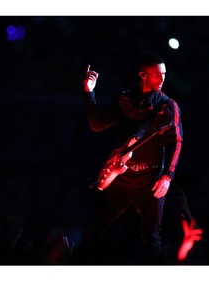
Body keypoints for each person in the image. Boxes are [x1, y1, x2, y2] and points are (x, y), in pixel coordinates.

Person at [75, 53, 183, 264]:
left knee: (151, 238)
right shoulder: (125, 99)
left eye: (164, 75)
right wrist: (89, 92)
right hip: (120, 175)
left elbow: (177, 142)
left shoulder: (168, 105)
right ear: (142, 75)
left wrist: (168, 176)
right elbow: (97, 124)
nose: (161, 79)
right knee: (96, 226)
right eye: (155, 75)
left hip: (150, 178)